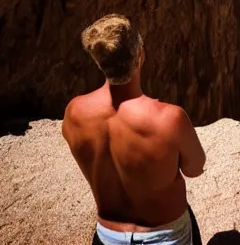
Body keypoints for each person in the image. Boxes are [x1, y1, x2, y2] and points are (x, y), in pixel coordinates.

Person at [62, 14, 206, 245]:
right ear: (140, 55)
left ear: (99, 62)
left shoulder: (74, 113)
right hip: (166, 236)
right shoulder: (169, 119)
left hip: (108, 236)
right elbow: (195, 168)